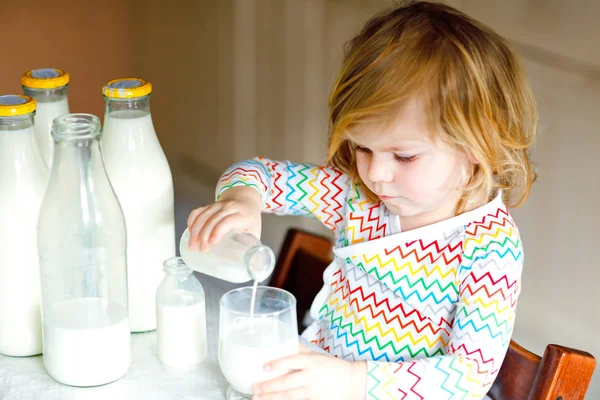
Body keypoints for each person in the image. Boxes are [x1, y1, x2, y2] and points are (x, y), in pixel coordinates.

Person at [187, 1, 537, 399]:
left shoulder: (489, 246)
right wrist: (242, 199)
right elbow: (258, 174)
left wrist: (352, 381)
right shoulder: (359, 196)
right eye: (363, 148)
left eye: (403, 156)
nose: (375, 173)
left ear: (478, 143)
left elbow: (468, 376)